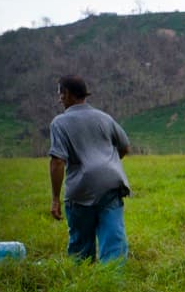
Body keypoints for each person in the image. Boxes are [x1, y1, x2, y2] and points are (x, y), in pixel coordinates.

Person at [49, 74, 131, 262]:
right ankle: (112, 281)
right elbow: (125, 147)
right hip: (111, 183)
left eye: (60, 94)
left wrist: (55, 198)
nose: (59, 98)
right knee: (113, 240)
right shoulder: (104, 118)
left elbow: (57, 162)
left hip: (80, 190)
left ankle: (84, 278)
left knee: (81, 246)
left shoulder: (59, 123)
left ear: (67, 94)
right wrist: (108, 163)